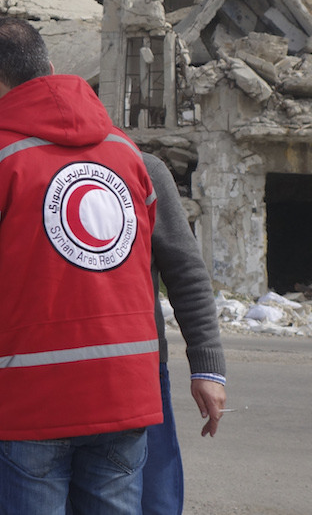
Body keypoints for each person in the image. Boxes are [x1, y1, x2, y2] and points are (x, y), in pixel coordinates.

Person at [0, 17, 162, 515]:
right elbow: (140, 265)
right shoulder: (126, 154)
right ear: (50, 68)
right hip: (123, 392)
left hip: (30, 394)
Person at [140, 152, 227, 515]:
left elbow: (185, 270)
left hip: (137, 368)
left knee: (153, 499)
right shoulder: (8, 164)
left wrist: (207, 367)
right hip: (37, 371)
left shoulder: (142, 168)